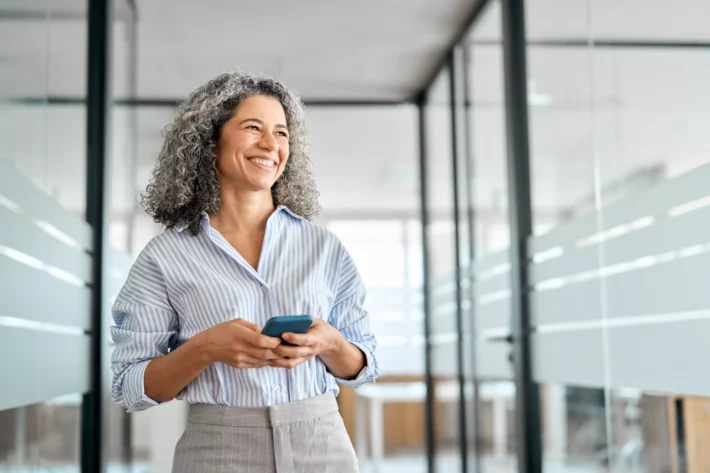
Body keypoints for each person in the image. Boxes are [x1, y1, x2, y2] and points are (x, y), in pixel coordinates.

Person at [110, 71, 378, 473]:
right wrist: (205, 348)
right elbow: (130, 385)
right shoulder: (164, 257)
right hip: (218, 449)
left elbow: (364, 365)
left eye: (282, 133)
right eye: (253, 128)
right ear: (210, 141)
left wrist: (332, 345)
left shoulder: (324, 248)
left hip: (322, 444)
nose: (271, 144)